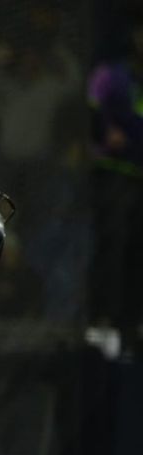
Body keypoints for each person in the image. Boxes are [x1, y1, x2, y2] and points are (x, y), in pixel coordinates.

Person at [88, 14, 143, 361]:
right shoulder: (112, 75)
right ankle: (103, 322)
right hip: (114, 176)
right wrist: (106, 134)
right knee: (113, 247)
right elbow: (93, 116)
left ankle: (132, 325)